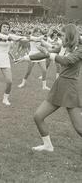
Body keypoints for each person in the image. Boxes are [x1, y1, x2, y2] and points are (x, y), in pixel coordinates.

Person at [16, 24, 82, 152]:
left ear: (69, 35)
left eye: (62, 35)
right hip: (59, 86)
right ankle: (48, 145)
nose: (59, 38)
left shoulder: (80, 49)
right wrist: (26, 58)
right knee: (38, 116)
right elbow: (45, 54)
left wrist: (49, 54)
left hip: (70, 89)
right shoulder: (63, 47)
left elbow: (66, 61)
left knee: (79, 128)